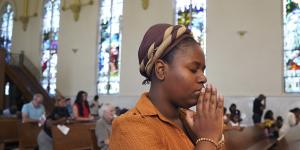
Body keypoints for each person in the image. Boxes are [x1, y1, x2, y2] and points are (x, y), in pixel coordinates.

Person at [109, 24, 224, 150]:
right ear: (161, 70)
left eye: (202, 70)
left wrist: (212, 136)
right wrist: (208, 138)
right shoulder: (129, 127)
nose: (203, 78)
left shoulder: (190, 121)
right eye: (193, 69)